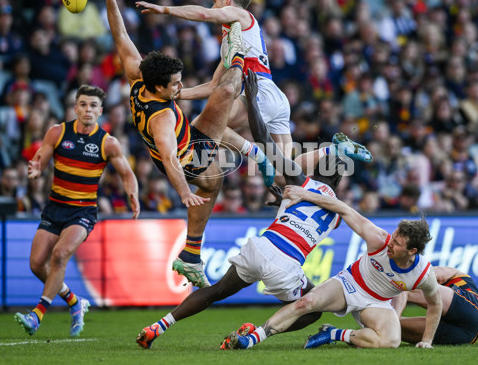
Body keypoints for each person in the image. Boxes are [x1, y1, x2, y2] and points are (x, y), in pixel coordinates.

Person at [134, 70, 369, 350]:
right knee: (312, 309)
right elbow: (312, 209)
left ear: (316, 170)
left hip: (260, 247)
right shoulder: (340, 214)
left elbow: (263, 138)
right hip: (286, 264)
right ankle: (253, 335)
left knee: (215, 291)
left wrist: (254, 100)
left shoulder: (299, 183)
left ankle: (158, 326)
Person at [95, 0, 272, 288]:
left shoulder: (139, 74)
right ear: (160, 86)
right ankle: (238, 56)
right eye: (175, 84)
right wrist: (184, 193)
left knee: (214, 179)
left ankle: (191, 256)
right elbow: (170, 160)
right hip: (189, 157)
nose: (180, 87)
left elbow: (120, 36)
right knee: (229, 88)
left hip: (187, 136)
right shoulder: (161, 118)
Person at [226, 185, 442, 350]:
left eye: (397, 243)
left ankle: (333, 334)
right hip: (349, 284)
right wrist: (306, 194)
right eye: (394, 236)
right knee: (306, 302)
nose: (391, 243)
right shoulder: (380, 239)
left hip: (376, 302)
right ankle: (251, 339)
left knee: (391, 341)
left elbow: (435, 304)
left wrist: (427, 341)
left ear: (412, 251)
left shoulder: (423, 273)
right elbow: (344, 210)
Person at [14, 85, 140, 337]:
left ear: (100, 111)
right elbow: (40, 159)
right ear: (75, 108)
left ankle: (37, 315)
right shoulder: (58, 132)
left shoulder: (108, 143)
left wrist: (132, 194)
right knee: (37, 264)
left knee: (60, 254)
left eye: (93, 105)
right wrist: (36, 171)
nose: (87, 109)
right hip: (55, 207)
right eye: (83, 104)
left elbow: (127, 173)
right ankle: (75, 301)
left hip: (82, 212)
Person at [136, 0, 294, 162]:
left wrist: (165, 10)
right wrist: (174, 95)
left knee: (206, 126)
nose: (212, 7)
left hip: (260, 92)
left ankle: (255, 155)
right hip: (274, 96)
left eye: (215, 2)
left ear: (227, 1)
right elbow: (213, 86)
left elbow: (203, 14)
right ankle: (327, 156)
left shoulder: (241, 14)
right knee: (285, 171)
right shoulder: (232, 42)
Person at [392, 266, 478, 345]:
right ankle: (390, 322)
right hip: (466, 337)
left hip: (471, 310)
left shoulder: (445, 271)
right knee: (388, 327)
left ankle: (392, 320)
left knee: (405, 286)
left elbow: (429, 277)